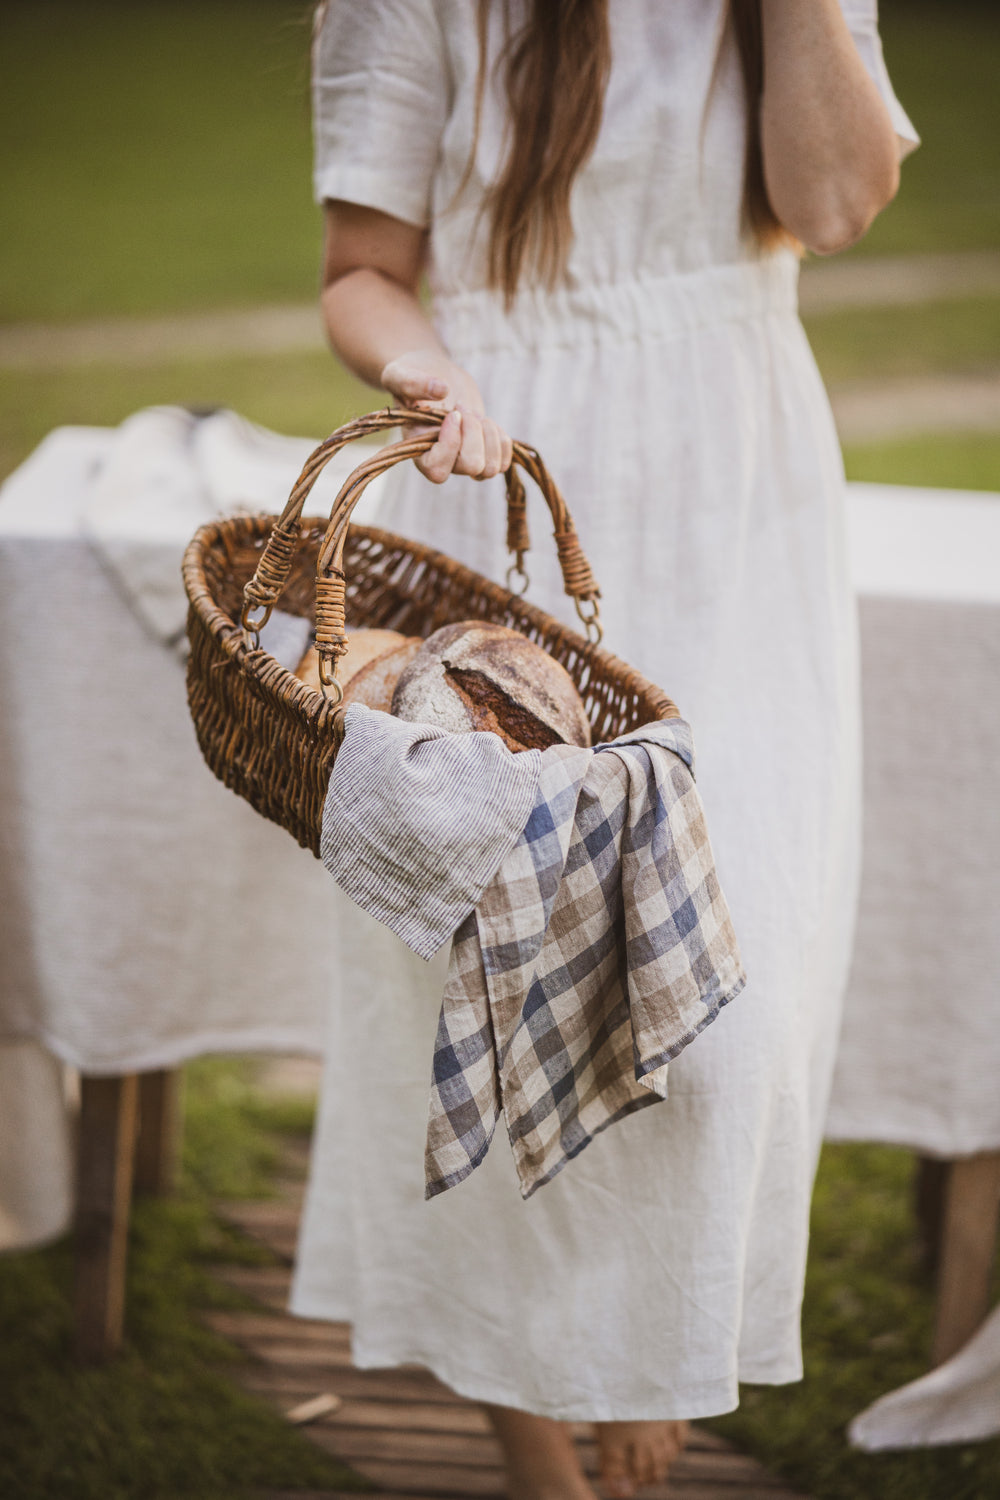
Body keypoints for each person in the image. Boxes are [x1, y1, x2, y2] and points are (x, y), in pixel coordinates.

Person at [290, 3, 918, 1496]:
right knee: (495, 975)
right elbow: (364, 273)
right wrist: (435, 380)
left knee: (728, 998)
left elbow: (832, 202)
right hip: (510, 465)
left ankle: (644, 1338)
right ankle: (535, 1444)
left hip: (739, 481)